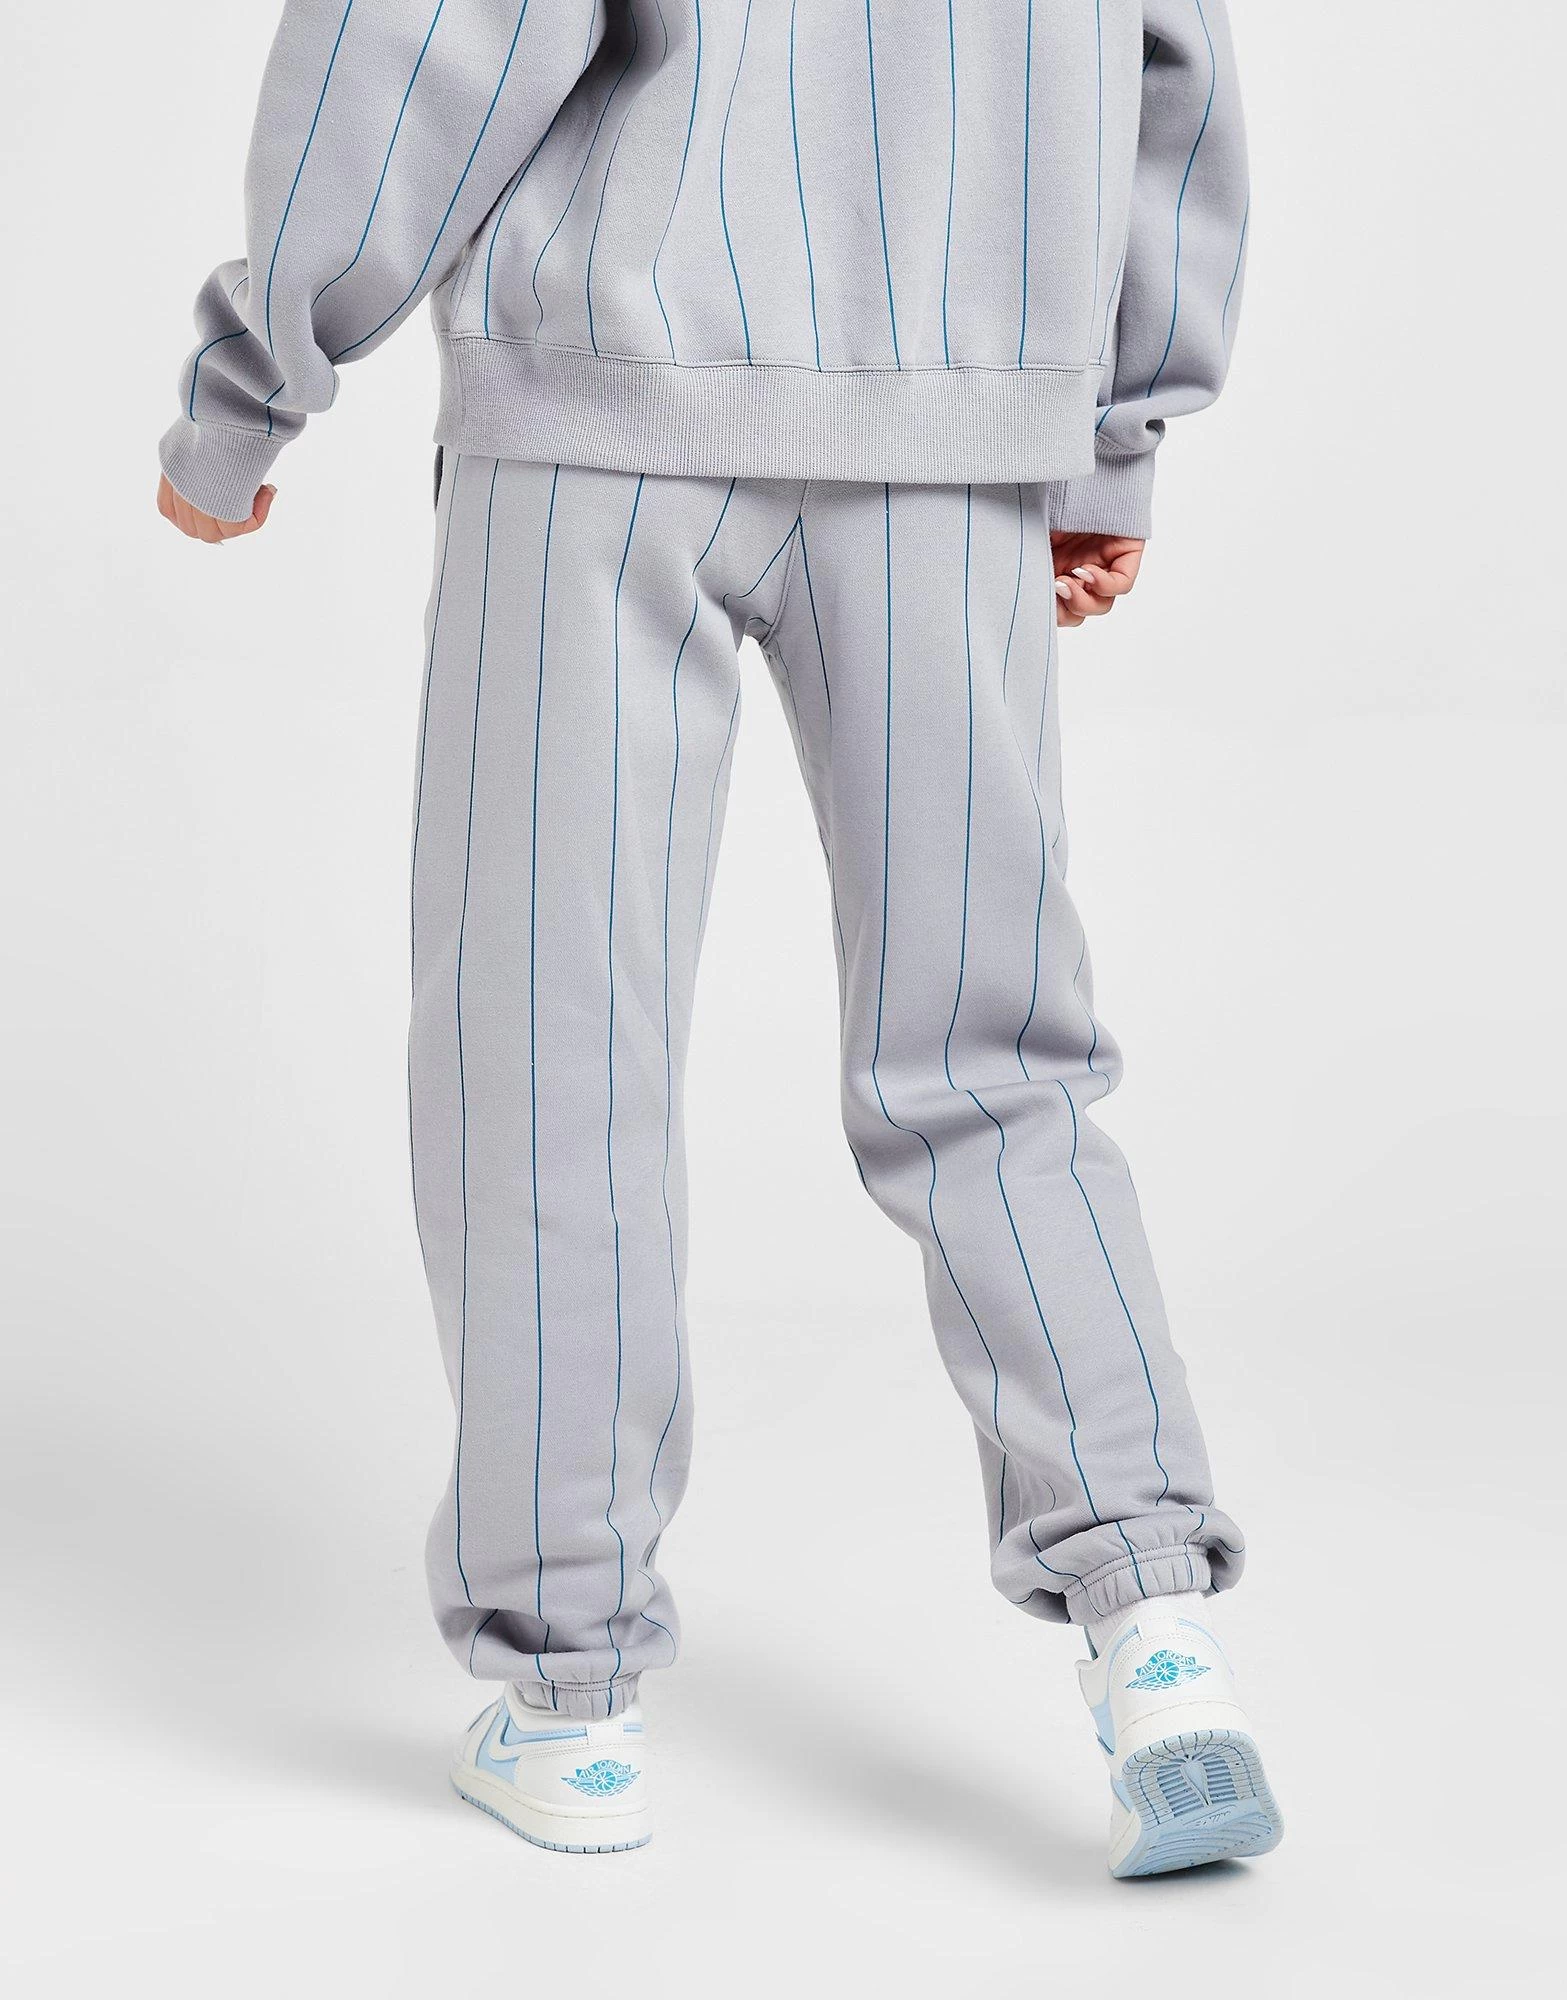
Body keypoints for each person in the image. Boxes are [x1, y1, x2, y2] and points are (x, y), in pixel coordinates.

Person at [158, 0, 1278, 1878]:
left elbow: (427, 34)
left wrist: (252, 378)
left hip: (604, 421)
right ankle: (1155, 1635)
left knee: (547, 1058)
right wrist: (1109, 430)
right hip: (955, 440)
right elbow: (1170, 60)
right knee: (991, 1060)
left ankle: (570, 1702)